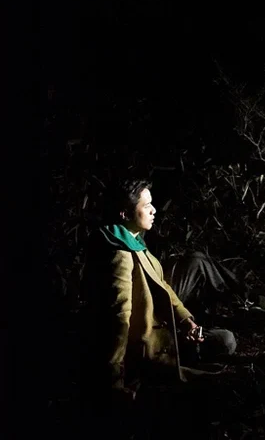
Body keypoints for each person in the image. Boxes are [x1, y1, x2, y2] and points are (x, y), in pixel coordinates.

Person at [80, 177, 238, 419]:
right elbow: (119, 316)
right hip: (150, 346)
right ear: (125, 213)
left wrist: (186, 321)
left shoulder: (133, 240)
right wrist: (115, 380)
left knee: (226, 340)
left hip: (165, 328)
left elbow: (162, 285)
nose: (154, 210)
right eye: (146, 206)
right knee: (224, 378)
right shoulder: (119, 253)